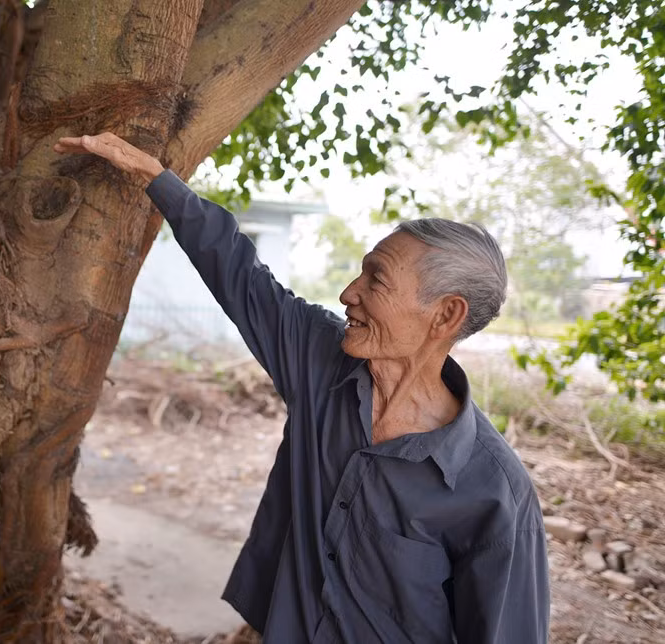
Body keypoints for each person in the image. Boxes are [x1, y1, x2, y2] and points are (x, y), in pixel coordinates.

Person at [54, 133, 550, 643]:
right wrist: (158, 180)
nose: (348, 293)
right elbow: (240, 275)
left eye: (376, 281)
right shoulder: (321, 364)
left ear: (445, 315)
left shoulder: (495, 491)